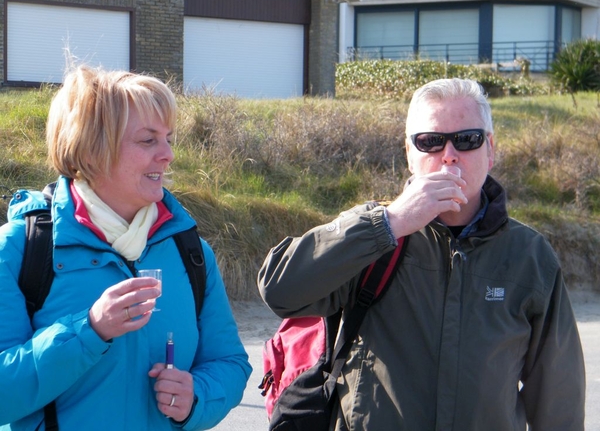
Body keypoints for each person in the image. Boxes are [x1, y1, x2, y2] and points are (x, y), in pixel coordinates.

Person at [257, 78, 585, 430]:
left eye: (467, 139)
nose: (448, 155)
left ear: (490, 149)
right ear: (409, 154)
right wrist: (390, 223)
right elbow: (279, 289)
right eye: (430, 142)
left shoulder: (530, 256)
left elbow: (558, 399)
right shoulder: (372, 231)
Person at [0, 65, 251, 430]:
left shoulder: (190, 250)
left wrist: (197, 394)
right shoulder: (19, 250)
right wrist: (89, 330)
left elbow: (229, 362)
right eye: (148, 140)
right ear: (91, 150)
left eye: (168, 138)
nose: (167, 154)